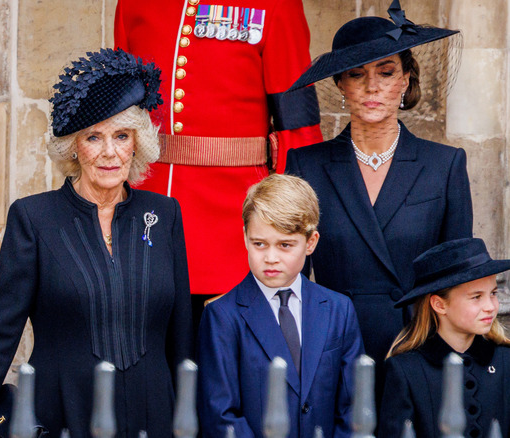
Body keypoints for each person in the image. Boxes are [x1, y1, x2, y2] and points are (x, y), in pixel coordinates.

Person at [0, 48, 192, 438]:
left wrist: (190, 416)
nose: (109, 152)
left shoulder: (165, 214)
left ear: (137, 143)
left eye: (121, 136)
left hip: (153, 413)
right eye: (93, 137)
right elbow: (0, 332)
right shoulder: (34, 217)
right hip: (61, 411)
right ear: (73, 146)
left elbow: (181, 334)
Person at [285, 0, 472, 385]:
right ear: (341, 84)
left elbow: (457, 280)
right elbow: (292, 277)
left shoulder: (444, 165)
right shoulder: (306, 165)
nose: (372, 87)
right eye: (357, 74)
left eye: (386, 72)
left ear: (404, 80)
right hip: (332, 349)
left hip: (417, 352)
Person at [114, 0, 323, 319]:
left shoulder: (278, 5)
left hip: (233, 224)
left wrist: (287, 224)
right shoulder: (134, 5)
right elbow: (119, 115)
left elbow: (296, 126)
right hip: (147, 214)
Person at [197, 174, 363, 438]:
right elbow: (220, 414)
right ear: (245, 237)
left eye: (285, 245)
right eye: (259, 243)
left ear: (311, 242)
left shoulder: (338, 310)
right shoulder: (222, 316)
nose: (271, 258)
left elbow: (353, 408)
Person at [378, 238, 510, 438]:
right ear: (439, 305)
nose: (491, 306)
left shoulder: (505, 361)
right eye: (476, 297)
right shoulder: (406, 370)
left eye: (493, 293)